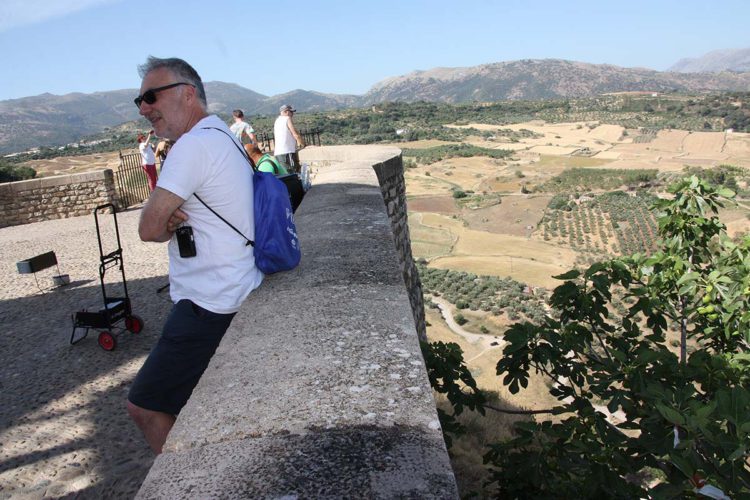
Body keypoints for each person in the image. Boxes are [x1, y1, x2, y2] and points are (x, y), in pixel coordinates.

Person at [127, 56, 263, 454]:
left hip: (209, 302)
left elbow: (148, 229)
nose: (144, 109)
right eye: (139, 102)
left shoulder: (191, 147)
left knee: (144, 406)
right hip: (238, 284)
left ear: (188, 94)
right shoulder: (221, 134)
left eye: (151, 97)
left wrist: (163, 220)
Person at [273, 104, 305, 173]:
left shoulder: (277, 121)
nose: (292, 114)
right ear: (286, 112)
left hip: (278, 153)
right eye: (291, 112)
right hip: (287, 152)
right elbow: (295, 134)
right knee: (294, 174)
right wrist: (303, 144)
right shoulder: (287, 119)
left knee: (286, 176)